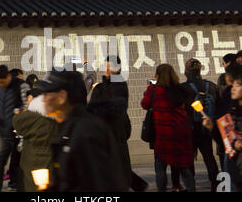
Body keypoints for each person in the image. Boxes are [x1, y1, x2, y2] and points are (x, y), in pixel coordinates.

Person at [38, 70, 128, 191]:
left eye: (47, 93)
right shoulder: (67, 127)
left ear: (62, 97)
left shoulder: (87, 130)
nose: (43, 99)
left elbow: (98, 184)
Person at [141, 64, 195, 192]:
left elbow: (144, 104)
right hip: (181, 132)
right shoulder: (180, 89)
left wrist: (147, 90)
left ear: (157, 75)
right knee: (183, 165)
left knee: (160, 168)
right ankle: (191, 189)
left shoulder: (154, 89)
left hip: (163, 133)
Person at [89, 55, 133, 190]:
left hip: (115, 134)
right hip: (102, 136)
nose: (106, 70)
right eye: (105, 66)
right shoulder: (101, 87)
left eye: (110, 67)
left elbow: (115, 107)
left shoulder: (119, 84)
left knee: (119, 173)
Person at [181, 58, 220, 191]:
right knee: (209, 156)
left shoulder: (183, 88)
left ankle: (191, 186)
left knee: (189, 158)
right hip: (206, 127)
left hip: (190, 128)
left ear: (187, 71)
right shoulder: (211, 86)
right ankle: (215, 184)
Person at [0, 65, 30, 192]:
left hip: (20, 134)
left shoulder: (21, 86)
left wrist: (17, 111)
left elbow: (28, 106)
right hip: (4, 132)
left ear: (8, 76)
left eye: (2, 82)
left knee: (19, 166)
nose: (1, 85)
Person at [12, 88, 59, 191]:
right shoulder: (54, 115)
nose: (27, 100)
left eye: (29, 97)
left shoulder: (30, 116)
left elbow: (16, 122)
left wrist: (26, 110)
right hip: (49, 157)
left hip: (32, 159)